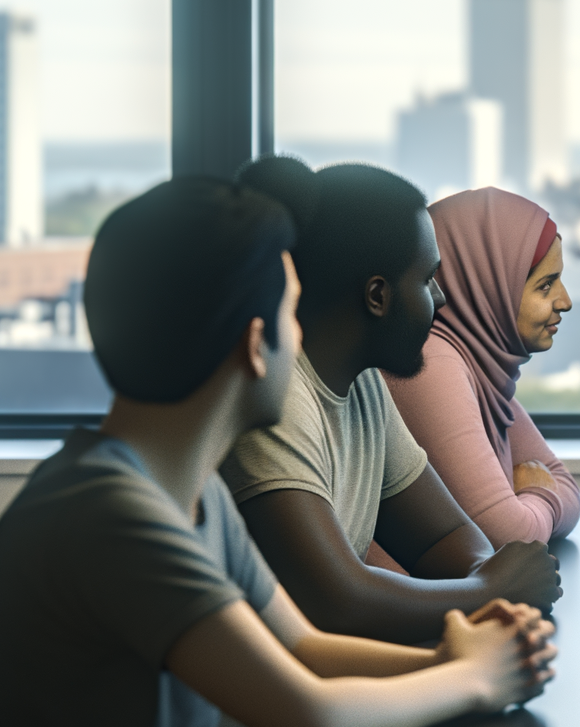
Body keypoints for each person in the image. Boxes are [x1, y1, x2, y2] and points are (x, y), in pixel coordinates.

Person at [0, 177, 557, 727]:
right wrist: (473, 678)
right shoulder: (114, 516)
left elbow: (305, 647)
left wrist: (458, 658)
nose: (304, 342)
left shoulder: (191, 494)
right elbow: (310, 721)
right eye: (294, 314)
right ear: (254, 341)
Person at [220, 158, 562, 646]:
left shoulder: (364, 386)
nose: (440, 298)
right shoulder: (279, 402)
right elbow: (336, 603)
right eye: (426, 279)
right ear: (377, 297)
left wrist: (486, 581)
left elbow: (445, 539)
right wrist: (490, 590)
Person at [383, 186, 580, 550]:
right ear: (488, 288)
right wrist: (539, 493)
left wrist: (535, 503)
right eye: (545, 286)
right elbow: (509, 537)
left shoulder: (478, 367)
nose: (565, 301)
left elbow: (565, 484)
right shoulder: (433, 365)